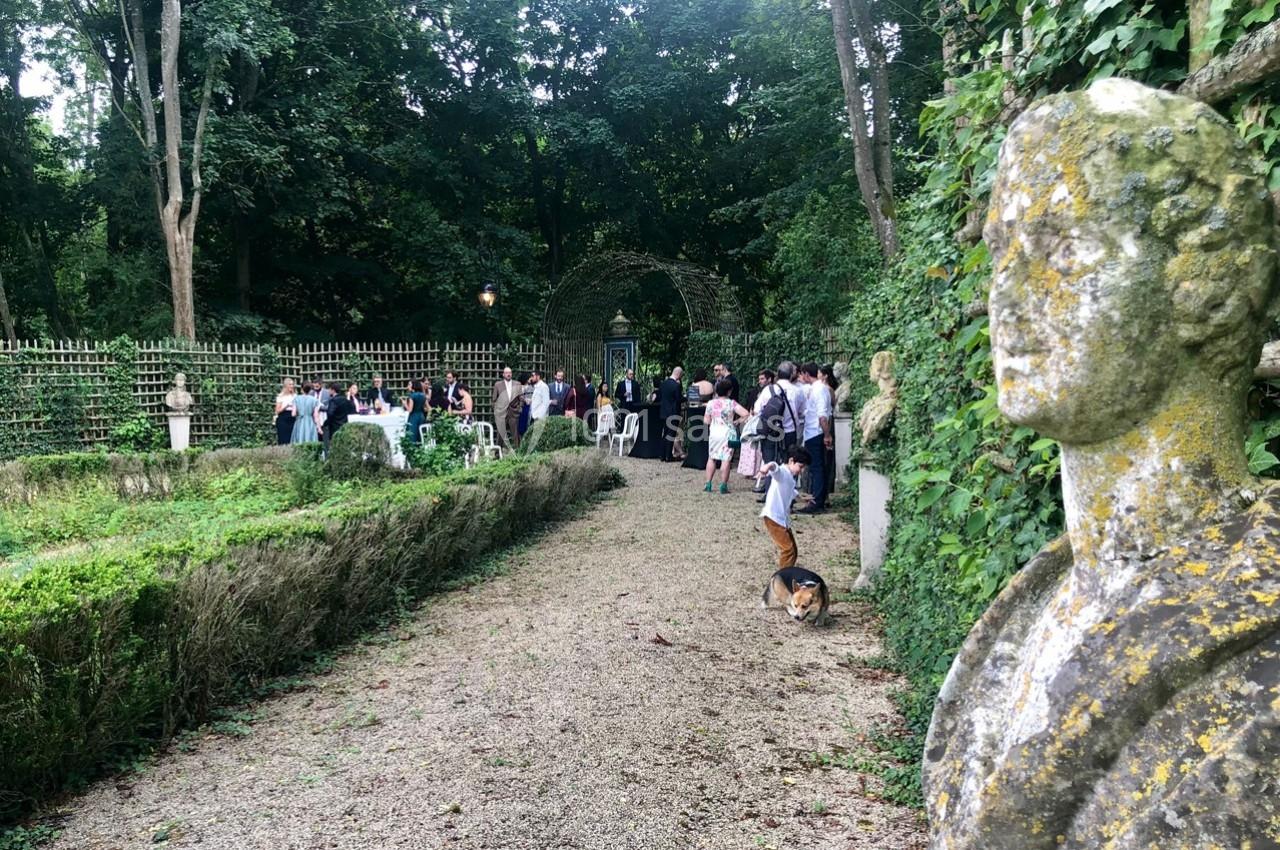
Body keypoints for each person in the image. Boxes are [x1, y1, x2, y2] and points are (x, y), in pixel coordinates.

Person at [759, 447, 810, 568]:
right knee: (788, 550)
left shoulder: (790, 478)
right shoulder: (782, 473)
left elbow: (790, 491)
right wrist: (767, 466)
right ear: (791, 461)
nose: (801, 471)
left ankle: (788, 573)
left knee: (792, 550)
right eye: (801, 466)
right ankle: (782, 578)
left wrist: (801, 498)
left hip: (781, 519)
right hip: (773, 517)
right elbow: (775, 467)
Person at [796, 362, 833, 514]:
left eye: (801, 374)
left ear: (805, 373)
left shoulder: (819, 390)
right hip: (813, 432)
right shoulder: (817, 389)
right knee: (818, 467)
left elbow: (822, 416)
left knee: (817, 468)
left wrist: (827, 435)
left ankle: (817, 501)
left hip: (816, 433)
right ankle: (819, 498)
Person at [703, 379, 750, 493]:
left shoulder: (711, 403)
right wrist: (737, 421)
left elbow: (706, 421)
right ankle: (723, 485)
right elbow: (746, 414)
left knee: (712, 458)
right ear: (729, 391)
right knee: (726, 459)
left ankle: (708, 484)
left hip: (714, 432)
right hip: (728, 433)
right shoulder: (731, 403)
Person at [738, 369, 773, 481]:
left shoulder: (769, 391)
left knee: (758, 447)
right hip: (758, 419)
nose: (760, 381)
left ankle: (757, 470)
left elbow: (758, 408)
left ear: (769, 379)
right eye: (759, 379)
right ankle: (751, 469)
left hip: (763, 420)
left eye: (762, 379)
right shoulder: (757, 391)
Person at [492, 366, 524, 449]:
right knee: (500, 434)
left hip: (514, 412)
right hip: (502, 413)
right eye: (506, 373)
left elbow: (521, 398)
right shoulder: (498, 385)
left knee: (515, 434)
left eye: (510, 373)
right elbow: (494, 400)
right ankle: (497, 453)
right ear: (503, 374)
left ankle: (518, 453)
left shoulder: (517, 384)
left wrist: (519, 408)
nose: (508, 374)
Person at [659, 366, 684, 462]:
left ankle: (662, 455)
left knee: (664, 433)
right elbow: (678, 399)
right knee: (671, 434)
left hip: (664, 412)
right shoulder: (676, 386)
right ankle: (669, 456)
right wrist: (686, 397)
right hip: (673, 412)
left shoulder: (663, 384)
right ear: (678, 374)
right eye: (681, 376)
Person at [325, 381, 358, 446]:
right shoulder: (345, 400)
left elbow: (330, 413)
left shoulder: (333, 401)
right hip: (345, 425)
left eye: (329, 389)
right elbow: (353, 410)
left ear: (333, 390)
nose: (328, 391)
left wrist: (327, 423)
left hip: (334, 427)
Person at [274, 378, 297, 446]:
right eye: (290, 384)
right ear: (286, 385)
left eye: (292, 384)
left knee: (292, 439)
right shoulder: (281, 396)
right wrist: (286, 406)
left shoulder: (295, 396)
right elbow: (277, 411)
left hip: (292, 418)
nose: (292, 386)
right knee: (283, 439)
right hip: (283, 418)